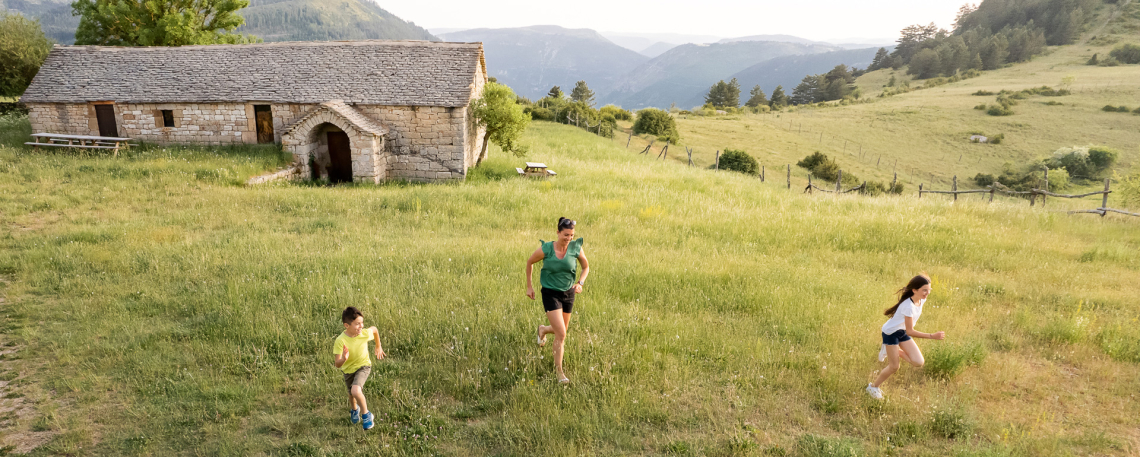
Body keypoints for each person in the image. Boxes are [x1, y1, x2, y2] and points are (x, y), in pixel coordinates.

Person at [525, 217, 590, 383]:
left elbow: (585, 266)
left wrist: (580, 283)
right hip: (550, 293)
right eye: (566, 234)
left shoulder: (576, 248)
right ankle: (559, 372)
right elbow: (530, 262)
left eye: (571, 235)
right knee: (561, 334)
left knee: (561, 331)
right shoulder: (547, 248)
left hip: (568, 293)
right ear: (558, 232)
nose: (569, 238)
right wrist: (529, 286)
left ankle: (543, 330)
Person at [866, 274, 945, 400]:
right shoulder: (908, 306)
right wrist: (932, 336)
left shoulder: (921, 299)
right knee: (894, 367)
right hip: (891, 333)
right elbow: (910, 331)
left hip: (901, 331)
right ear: (914, 290)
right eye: (924, 290)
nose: (927, 293)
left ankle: (891, 350)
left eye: (929, 289)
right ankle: (873, 387)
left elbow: (907, 330)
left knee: (918, 362)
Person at [333, 306, 387, 429]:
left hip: (363, 366)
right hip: (348, 370)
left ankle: (367, 415)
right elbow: (337, 364)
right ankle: (354, 410)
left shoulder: (363, 334)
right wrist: (344, 359)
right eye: (357, 324)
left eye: (362, 323)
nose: (361, 326)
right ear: (347, 325)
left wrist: (378, 346)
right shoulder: (340, 341)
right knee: (352, 395)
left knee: (356, 390)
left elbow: (374, 329)